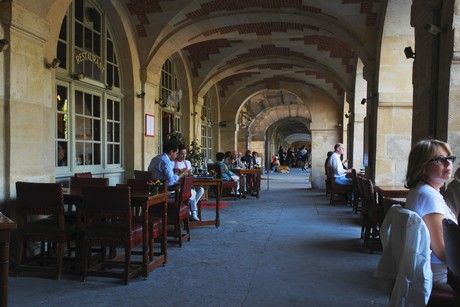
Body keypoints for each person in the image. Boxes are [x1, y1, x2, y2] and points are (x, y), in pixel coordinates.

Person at [404, 139, 457, 292]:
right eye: (440, 159)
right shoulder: (428, 196)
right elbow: (441, 251)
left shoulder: (423, 191)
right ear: (422, 166)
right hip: (443, 274)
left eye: (449, 158)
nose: (448, 164)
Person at [148, 140, 200, 221]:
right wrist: (182, 174)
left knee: (191, 191)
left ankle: (190, 212)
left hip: (154, 190)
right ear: (171, 152)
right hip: (164, 192)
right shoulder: (166, 162)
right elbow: (172, 181)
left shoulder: (156, 158)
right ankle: (187, 214)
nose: (176, 156)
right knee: (191, 192)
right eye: (176, 153)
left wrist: (176, 173)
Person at [174, 145, 205, 219]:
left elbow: (190, 173)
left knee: (201, 190)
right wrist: (180, 172)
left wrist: (189, 174)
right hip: (179, 186)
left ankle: (189, 209)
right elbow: (174, 176)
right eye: (182, 154)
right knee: (192, 192)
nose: (184, 155)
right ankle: (194, 212)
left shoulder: (187, 162)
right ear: (177, 154)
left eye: (185, 153)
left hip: (189, 184)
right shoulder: (173, 163)